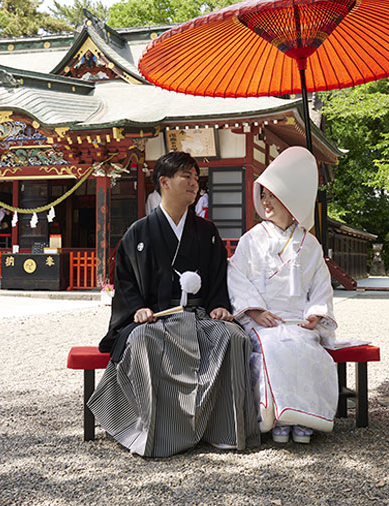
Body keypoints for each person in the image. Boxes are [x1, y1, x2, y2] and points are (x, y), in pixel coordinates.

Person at [89, 151, 259, 457]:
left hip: (198, 316)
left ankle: (223, 430)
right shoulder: (138, 233)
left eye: (196, 178)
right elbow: (125, 281)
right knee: (141, 341)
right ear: (164, 183)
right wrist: (137, 307)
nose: (195, 184)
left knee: (232, 337)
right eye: (187, 177)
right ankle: (155, 431)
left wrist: (219, 304)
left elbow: (219, 276)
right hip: (155, 319)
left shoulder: (206, 232)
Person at [227, 147, 337, 445]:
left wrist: (316, 313)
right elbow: (237, 277)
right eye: (263, 196)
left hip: (298, 320)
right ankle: (277, 417)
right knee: (275, 346)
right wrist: (254, 311)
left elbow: (321, 284)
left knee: (306, 349)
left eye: (272, 196)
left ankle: (302, 419)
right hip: (264, 320)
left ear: (291, 200)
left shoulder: (309, 244)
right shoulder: (252, 239)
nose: (265, 202)